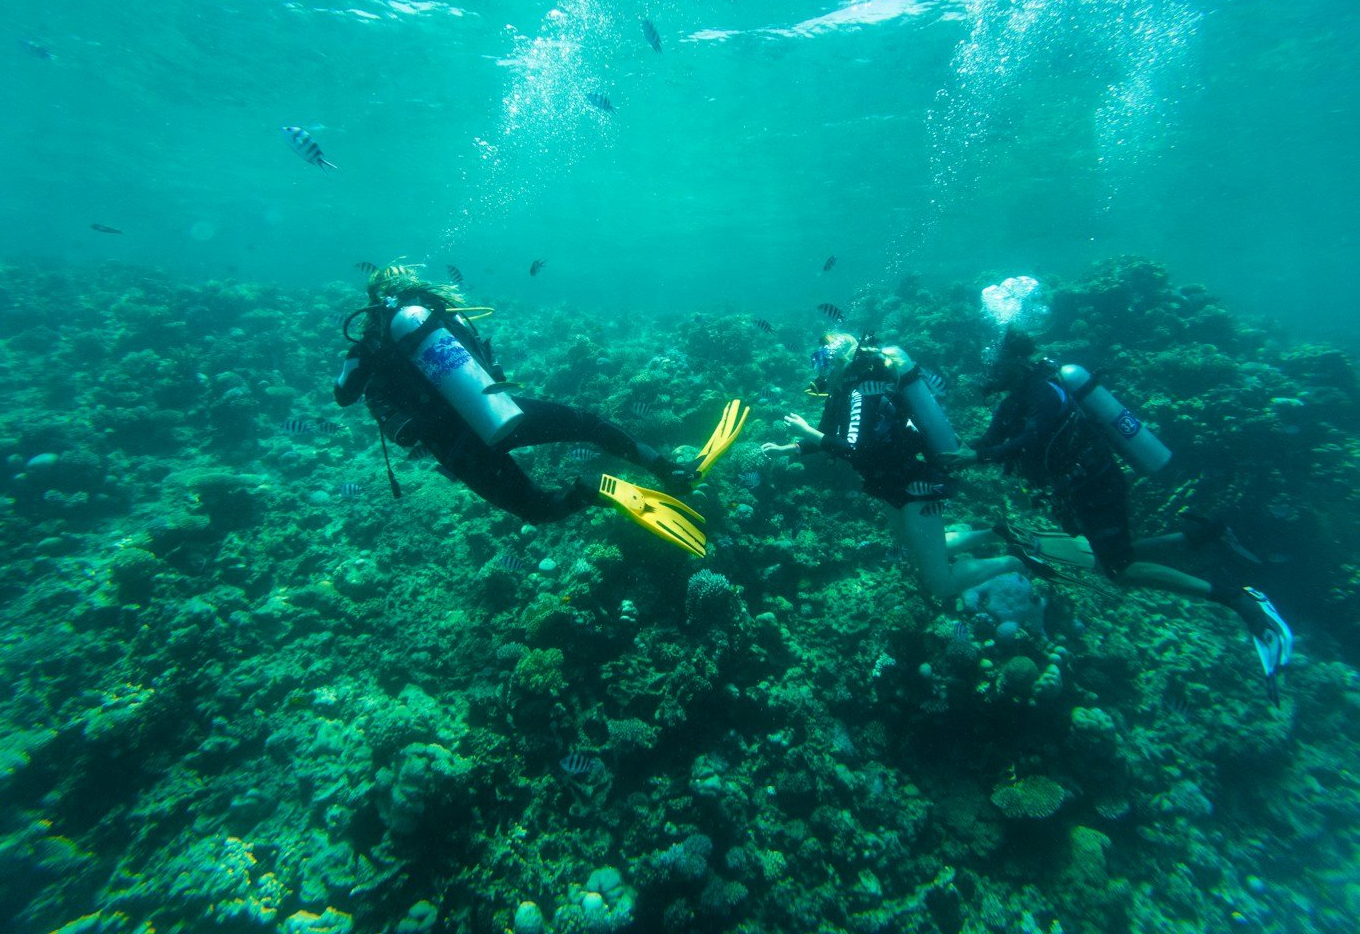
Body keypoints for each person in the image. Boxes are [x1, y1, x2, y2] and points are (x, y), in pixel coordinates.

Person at [940, 327, 1294, 703]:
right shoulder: (1011, 403)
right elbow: (992, 440)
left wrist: (978, 456)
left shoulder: (1046, 392)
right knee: (1106, 553)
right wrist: (957, 455)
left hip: (1095, 486)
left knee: (1117, 568)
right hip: (1073, 493)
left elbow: (1030, 437)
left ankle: (1237, 598)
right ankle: (1193, 537)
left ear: (1015, 361)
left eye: (996, 363)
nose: (990, 372)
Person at [334, 265, 746, 557]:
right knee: (589, 424)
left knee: (538, 508)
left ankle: (588, 490)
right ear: (413, 286)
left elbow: (344, 394)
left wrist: (366, 350)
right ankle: (670, 471)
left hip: (455, 444)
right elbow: (481, 364)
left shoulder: (372, 342)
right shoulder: (436, 315)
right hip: (498, 409)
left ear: (373, 302)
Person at [760, 332, 1025, 599]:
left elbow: (852, 450)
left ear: (840, 360)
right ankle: (995, 534)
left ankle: (1016, 561)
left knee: (940, 585)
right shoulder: (841, 392)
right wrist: (790, 448)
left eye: (823, 361)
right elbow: (826, 434)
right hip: (886, 484)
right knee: (912, 548)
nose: (820, 370)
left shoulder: (861, 392)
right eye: (817, 362)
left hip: (913, 486)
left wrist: (804, 431)